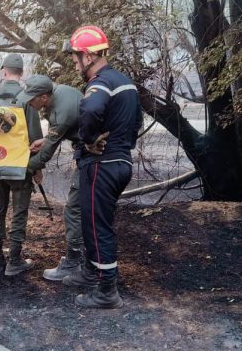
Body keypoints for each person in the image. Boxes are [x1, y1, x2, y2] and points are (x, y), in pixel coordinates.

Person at [59, 25, 143, 309]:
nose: (74, 63)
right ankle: (92, 272)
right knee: (92, 222)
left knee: (97, 227)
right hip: (119, 161)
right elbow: (137, 122)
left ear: (89, 55)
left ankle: (107, 290)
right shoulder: (125, 82)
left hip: (102, 165)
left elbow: (91, 109)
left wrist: (89, 138)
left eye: (75, 57)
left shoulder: (101, 83)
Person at [16, 74, 85, 281]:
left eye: (32, 98)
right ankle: (87, 260)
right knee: (85, 209)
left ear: (44, 97)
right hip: (93, 153)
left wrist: (21, 168)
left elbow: (46, 154)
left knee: (74, 209)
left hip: (93, 156)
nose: (28, 102)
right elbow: (56, 136)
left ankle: (75, 262)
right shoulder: (62, 92)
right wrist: (44, 139)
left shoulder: (61, 113)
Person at [0, 54, 43, 276]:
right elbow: (35, 137)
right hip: (20, 166)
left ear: (3, 71)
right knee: (19, 213)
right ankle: (14, 261)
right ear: (21, 73)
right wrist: (37, 168)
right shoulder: (27, 97)